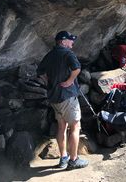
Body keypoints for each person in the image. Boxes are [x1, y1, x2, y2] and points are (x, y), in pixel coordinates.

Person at [37, 31, 88, 170]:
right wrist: (69, 81)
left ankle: (63, 158)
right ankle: (74, 160)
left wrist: (49, 82)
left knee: (61, 127)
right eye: (71, 40)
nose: (72, 43)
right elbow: (77, 68)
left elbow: (40, 72)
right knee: (75, 127)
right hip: (67, 96)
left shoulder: (50, 55)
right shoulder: (67, 53)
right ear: (63, 41)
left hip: (54, 97)